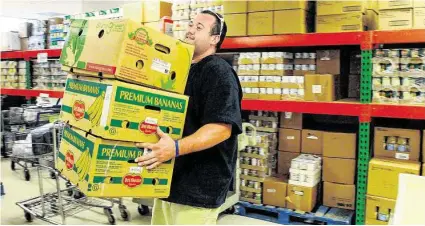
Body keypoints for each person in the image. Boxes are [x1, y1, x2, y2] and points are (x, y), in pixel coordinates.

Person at [134, 10, 242, 225]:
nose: (190, 30)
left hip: (198, 188)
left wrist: (174, 148)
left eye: (199, 27)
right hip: (169, 179)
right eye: (191, 24)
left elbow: (222, 128)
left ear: (214, 39)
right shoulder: (181, 70)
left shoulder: (218, 72)